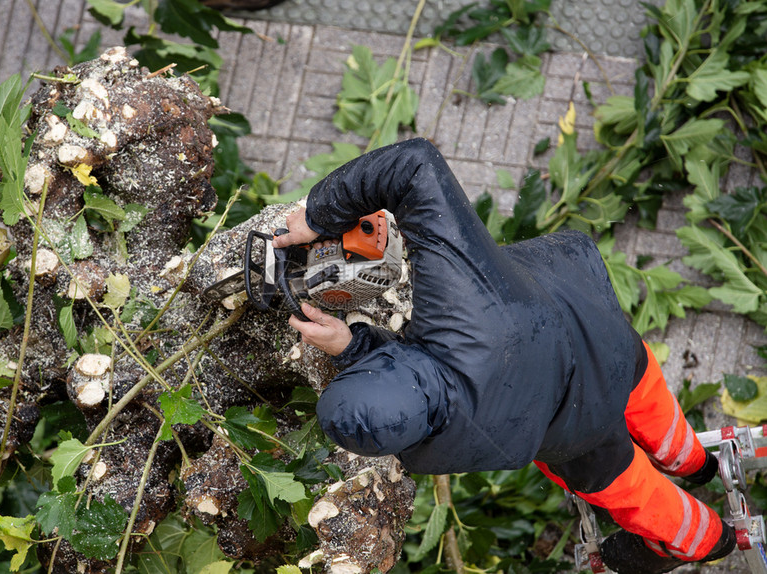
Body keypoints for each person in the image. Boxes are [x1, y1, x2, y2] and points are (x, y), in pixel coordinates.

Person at [271, 138, 737, 574]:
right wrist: (318, 214)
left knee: (634, 491)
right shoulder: (457, 309)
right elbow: (415, 164)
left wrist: (352, 347)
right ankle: (694, 462)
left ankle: (704, 541)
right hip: (599, 332)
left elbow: (421, 394)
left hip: (578, 431)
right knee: (651, 403)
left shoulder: (429, 454)